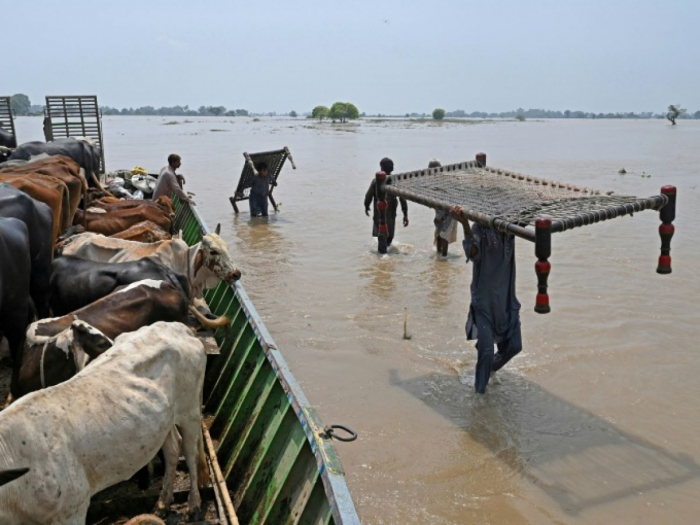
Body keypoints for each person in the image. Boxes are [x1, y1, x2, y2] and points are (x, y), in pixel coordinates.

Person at [450, 205, 522, 394]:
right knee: (487, 352)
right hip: (484, 302)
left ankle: (489, 369)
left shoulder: (509, 229)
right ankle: (479, 400)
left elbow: (526, 219)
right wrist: (465, 224)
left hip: (506, 299)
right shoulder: (479, 229)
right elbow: (473, 254)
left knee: (515, 346)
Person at [364, 157, 408, 247]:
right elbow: (403, 199)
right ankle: (387, 254)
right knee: (389, 237)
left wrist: (366, 206)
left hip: (378, 215)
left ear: (381, 168)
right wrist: (405, 215)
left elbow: (368, 196)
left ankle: (382, 256)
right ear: (392, 168)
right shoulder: (396, 181)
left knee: (381, 236)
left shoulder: (376, 181)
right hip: (391, 215)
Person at [428, 159, 457, 256]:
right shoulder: (434, 182)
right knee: (439, 234)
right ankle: (439, 256)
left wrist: (439, 217)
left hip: (449, 212)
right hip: (440, 213)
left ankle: (444, 258)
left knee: (444, 235)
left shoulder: (443, 182)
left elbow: (447, 201)